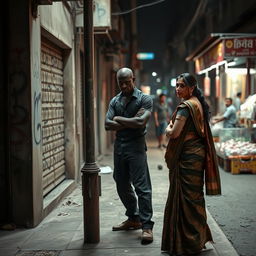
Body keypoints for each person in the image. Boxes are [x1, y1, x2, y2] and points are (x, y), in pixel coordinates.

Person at [161, 73, 221, 255]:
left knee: (185, 200)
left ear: (191, 88)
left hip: (187, 159)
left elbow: (175, 133)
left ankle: (187, 243)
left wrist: (167, 128)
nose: (178, 89)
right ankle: (197, 239)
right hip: (197, 157)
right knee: (194, 198)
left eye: (181, 86)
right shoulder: (197, 103)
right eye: (177, 85)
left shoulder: (186, 108)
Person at [105, 67, 154, 244]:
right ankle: (133, 218)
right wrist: (130, 122)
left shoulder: (144, 99)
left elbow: (141, 122)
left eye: (127, 81)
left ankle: (147, 226)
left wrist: (118, 120)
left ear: (134, 79)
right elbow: (107, 124)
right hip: (120, 147)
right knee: (121, 182)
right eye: (121, 83)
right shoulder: (115, 101)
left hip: (136, 146)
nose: (124, 85)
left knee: (142, 187)